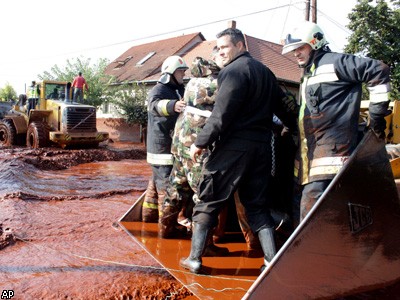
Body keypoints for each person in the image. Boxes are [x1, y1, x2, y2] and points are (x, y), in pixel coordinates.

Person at [180, 28, 296, 274]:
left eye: (225, 47)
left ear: (241, 45)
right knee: (257, 206)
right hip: (262, 148)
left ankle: (194, 259)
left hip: (233, 148)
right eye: (218, 48)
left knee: (208, 200)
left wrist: (200, 142)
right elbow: (284, 109)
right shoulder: (266, 73)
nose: (221, 52)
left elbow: (221, 115)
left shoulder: (232, 72)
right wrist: (293, 129)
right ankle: (271, 261)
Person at [281, 21, 391, 225]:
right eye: (294, 50)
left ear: (315, 43)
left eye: (300, 48)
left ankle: (309, 255)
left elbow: (379, 70)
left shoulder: (335, 63)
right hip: (310, 160)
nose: (296, 54)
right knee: (302, 209)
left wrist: (376, 120)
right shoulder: (309, 72)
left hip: (329, 158)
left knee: (311, 214)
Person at [142, 55, 189, 239]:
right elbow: (153, 105)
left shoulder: (178, 89)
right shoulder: (159, 90)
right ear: (170, 73)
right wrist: (173, 105)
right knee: (166, 190)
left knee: (155, 185)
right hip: (161, 148)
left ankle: (148, 217)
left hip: (168, 147)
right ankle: (166, 230)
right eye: (180, 71)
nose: (183, 74)